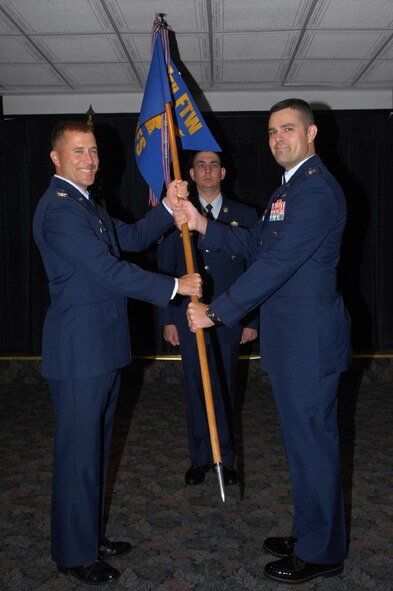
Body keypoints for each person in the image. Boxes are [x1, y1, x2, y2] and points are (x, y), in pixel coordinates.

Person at [177, 99, 351, 585]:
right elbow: (256, 244)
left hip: (309, 342)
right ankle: (310, 531)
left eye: (288, 129)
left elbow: (275, 266)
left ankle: (322, 553)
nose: (278, 138)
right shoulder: (288, 189)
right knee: (302, 447)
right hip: (293, 341)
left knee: (313, 446)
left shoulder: (315, 191)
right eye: (272, 131)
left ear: (311, 133)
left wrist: (216, 312)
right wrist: (203, 224)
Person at [33, 121, 201, 585]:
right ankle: (73, 553)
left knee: (96, 450)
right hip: (79, 352)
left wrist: (169, 205)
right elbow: (108, 270)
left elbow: (128, 238)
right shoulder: (60, 210)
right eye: (77, 151)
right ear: (56, 159)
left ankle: (88, 535)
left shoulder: (88, 205)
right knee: (78, 456)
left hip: (100, 348)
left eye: (92, 151)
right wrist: (173, 286)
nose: (88, 159)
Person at [157, 151, 258, 487]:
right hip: (187, 317)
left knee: (225, 387)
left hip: (229, 319)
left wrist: (251, 320)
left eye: (213, 164)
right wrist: (168, 318)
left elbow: (255, 272)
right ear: (191, 173)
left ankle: (225, 460)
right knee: (196, 387)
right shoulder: (178, 215)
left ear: (223, 172)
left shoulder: (243, 215)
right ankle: (200, 458)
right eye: (201, 165)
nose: (207, 170)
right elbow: (167, 268)